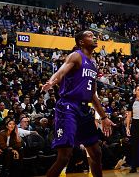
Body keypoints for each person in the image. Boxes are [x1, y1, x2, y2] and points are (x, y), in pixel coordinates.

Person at [41, 30, 116, 177]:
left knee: (96, 153)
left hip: (83, 109)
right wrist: (52, 81)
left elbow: (93, 96)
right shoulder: (76, 56)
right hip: (68, 107)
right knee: (64, 157)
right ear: (81, 42)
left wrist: (104, 117)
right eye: (89, 35)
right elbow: (61, 71)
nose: (94, 37)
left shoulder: (93, 65)